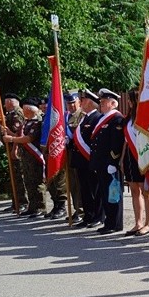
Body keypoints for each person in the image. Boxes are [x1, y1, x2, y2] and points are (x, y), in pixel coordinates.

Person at [89, 89, 125, 235]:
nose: (101, 105)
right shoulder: (103, 118)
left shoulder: (116, 119)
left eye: (104, 102)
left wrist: (113, 161)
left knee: (113, 194)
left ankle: (115, 223)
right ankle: (109, 221)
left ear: (112, 103)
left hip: (110, 163)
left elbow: (116, 143)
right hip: (101, 163)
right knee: (105, 193)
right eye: (101, 102)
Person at [3, 98, 46, 218]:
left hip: (34, 156)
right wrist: (12, 139)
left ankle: (40, 207)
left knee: (37, 182)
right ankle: (32, 207)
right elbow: (19, 136)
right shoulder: (26, 123)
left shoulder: (38, 122)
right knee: (28, 181)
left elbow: (29, 139)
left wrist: (12, 139)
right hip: (26, 156)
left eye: (26, 109)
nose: (24, 111)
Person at [122, 90, 149, 237]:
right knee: (134, 190)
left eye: (131, 99)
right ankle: (138, 222)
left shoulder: (144, 116)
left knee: (146, 191)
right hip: (129, 155)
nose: (128, 102)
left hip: (143, 155)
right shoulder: (128, 118)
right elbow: (126, 141)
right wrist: (122, 159)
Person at [70, 90, 103, 229]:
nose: (81, 102)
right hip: (81, 161)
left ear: (89, 102)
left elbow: (95, 140)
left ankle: (98, 216)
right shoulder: (84, 118)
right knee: (84, 189)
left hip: (90, 160)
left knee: (94, 189)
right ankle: (88, 215)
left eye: (82, 100)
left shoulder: (97, 118)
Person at [1, 93, 28, 213]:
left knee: (19, 176)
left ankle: (23, 202)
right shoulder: (9, 114)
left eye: (6, 103)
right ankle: (16, 201)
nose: (5, 105)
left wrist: (14, 147)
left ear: (11, 102)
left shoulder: (18, 114)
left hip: (18, 148)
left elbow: (19, 134)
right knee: (14, 175)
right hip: (11, 146)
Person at [64, 91, 84, 221]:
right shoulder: (65, 116)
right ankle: (76, 209)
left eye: (73, 103)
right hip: (69, 153)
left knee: (80, 183)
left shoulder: (82, 115)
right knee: (72, 183)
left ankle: (82, 210)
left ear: (79, 102)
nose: (71, 106)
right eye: (69, 104)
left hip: (80, 153)